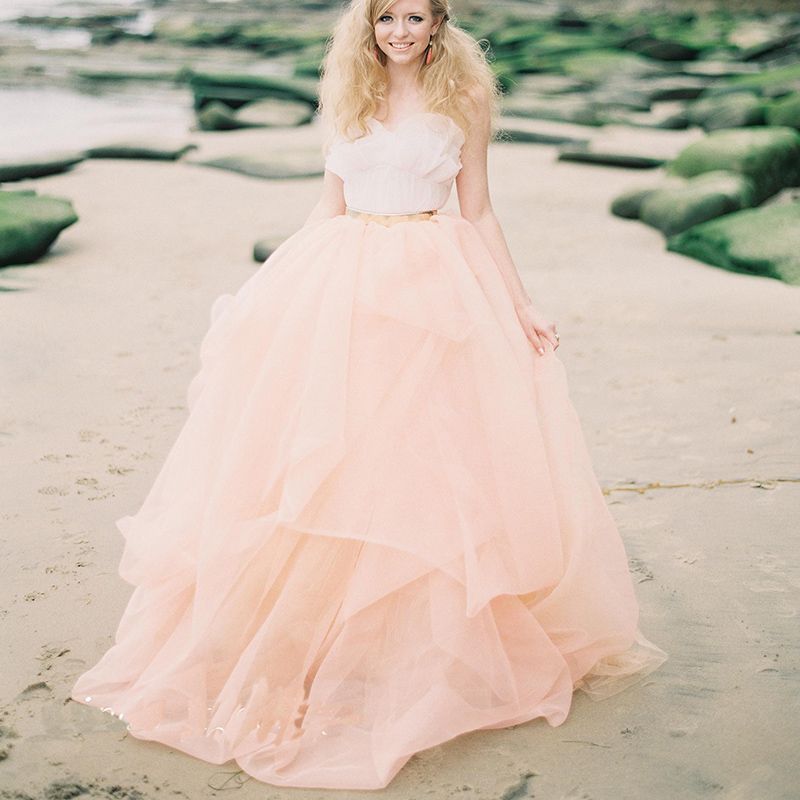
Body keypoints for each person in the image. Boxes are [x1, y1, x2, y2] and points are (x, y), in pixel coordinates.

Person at [70, 0, 668, 791]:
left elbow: (479, 210)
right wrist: (271, 290)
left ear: (438, 23)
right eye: (386, 17)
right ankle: (310, 642)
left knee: (421, 463)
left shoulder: (466, 96)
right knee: (332, 459)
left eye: (414, 16)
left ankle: (410, 647)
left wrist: (520, 302)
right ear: (369, 25)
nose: (399, 31)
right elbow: (330, 205)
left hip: (433, 282)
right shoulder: (348, 90)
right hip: (343, 279)